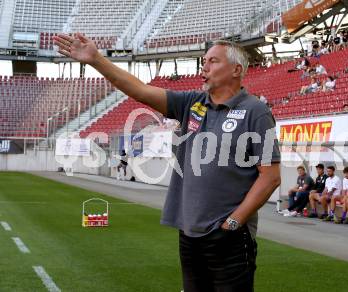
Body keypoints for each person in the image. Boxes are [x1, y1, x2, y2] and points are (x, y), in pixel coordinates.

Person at [54, 34, 281, 291]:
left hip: (230, 236)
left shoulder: (255, 112)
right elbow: (139, 90)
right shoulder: (192, 104)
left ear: (236, 70)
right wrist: (96, 60)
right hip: (190, 233)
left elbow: (270, 177)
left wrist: (233, 223)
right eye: (203, 61)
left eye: (213, 61)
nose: (203, 67)